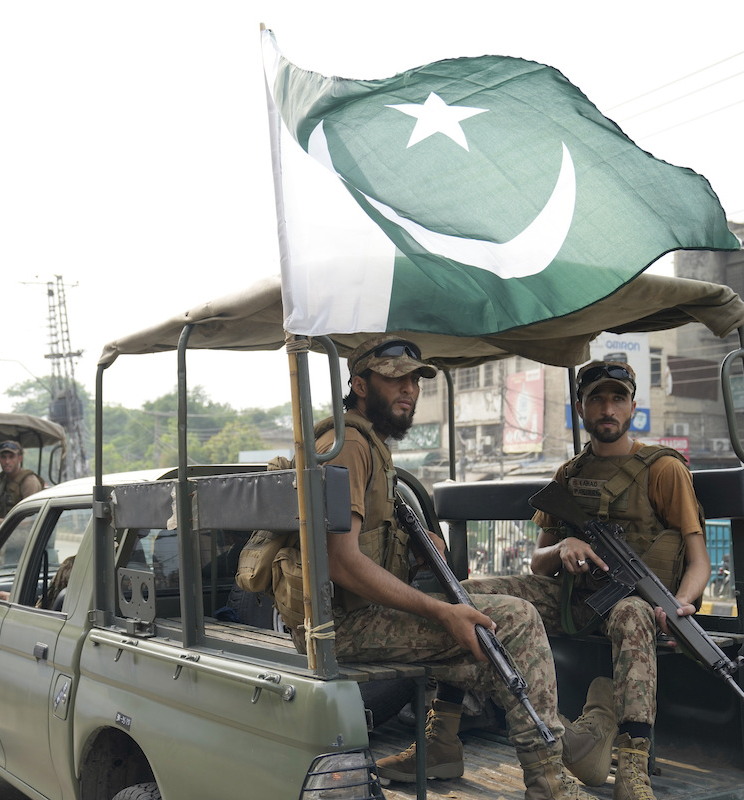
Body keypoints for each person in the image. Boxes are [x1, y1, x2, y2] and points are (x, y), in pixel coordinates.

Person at [303, 335, 593, 799]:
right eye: (395, 379)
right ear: (358, 383)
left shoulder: (367, 442)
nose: (410, 390)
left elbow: (362, 545)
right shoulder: (349, 445)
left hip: (351, 614)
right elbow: (343, 562)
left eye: (416, 381)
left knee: (489, 622)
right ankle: (551, 783)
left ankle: (446, 746)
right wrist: (441, 612)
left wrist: (412, 546)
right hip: (343, 624)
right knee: (515, 620)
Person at [468, 359, 710, 800]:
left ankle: (634, 767)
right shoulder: (569, 474)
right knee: (469, 595)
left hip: (634, 605)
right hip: (572, 599)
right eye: (596, 398)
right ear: (581, 408)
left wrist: (681, 604)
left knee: (634, 613)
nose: (607, 408)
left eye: (617, 398)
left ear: (633, 406)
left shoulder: (663, 469)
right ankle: (444, 728)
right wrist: (562, 548)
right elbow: (539, 564)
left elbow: (698, 561)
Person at [0, 440, 43, 528]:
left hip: (23, 531)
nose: (7, 462)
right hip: (2, 527)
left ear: (19, 458)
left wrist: (2, 522)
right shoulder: (1, 479)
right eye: (3, 457)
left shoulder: (29, 481)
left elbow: (31, 519)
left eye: (11, 457)